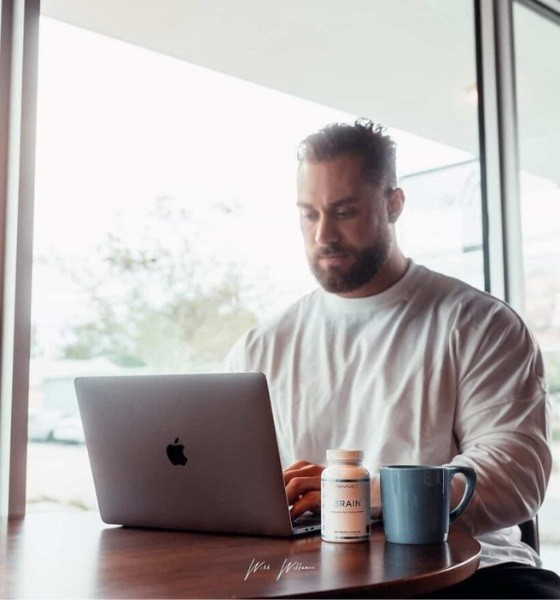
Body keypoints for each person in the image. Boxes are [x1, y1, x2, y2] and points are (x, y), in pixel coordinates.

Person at [225, 119, 560, 597]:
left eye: (344, 212)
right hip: (310, 573)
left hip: (470, 571)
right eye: (309, 214)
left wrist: (362, 495)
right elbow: (227, 486)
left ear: (393, 204)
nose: (324, 236)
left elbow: (515, 477)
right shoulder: (261, 346)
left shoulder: (479, 323)